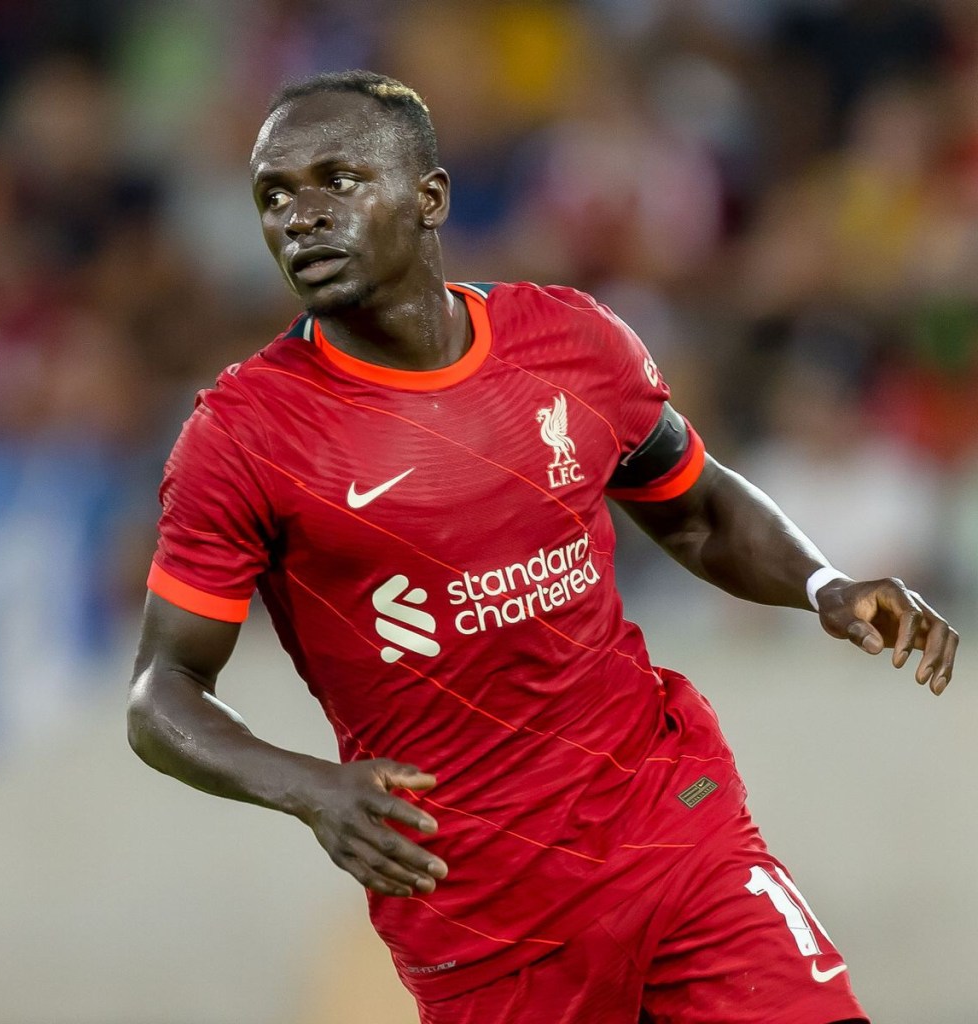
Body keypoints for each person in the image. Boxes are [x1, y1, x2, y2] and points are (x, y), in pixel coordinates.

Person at [127, 70, 958, 1024]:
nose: (301, 216)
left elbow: (699, 510)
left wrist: (822, 584)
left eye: (339, 181)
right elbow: (162, 692)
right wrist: (309, 788)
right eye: (274, 195)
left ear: (430, 197)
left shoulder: (570, 342)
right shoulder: (244, 435)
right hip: (484, 916)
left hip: (674, 836)